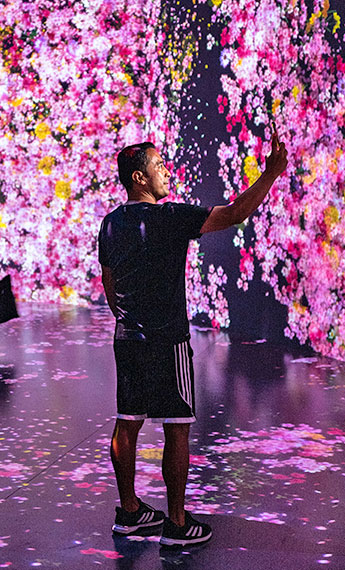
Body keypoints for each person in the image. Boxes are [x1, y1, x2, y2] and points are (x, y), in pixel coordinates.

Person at [98, 131, 288, 546]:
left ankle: (129, 512)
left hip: (128, 338)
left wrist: (129, 318)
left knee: (127, 422)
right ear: (139, 178)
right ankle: (178, 523)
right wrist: (271, 173)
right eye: (158, 166)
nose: (166, 171)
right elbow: (236, 212)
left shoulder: (110, 223)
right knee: (176, 428)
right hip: (169, 341)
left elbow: (109, 285)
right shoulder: (170, 217)